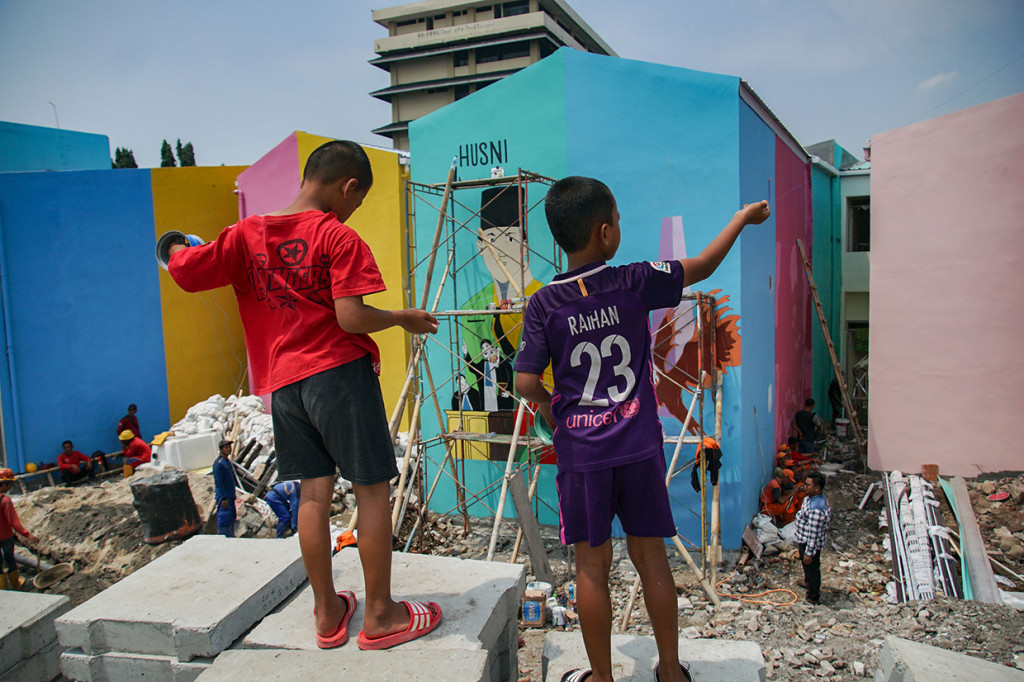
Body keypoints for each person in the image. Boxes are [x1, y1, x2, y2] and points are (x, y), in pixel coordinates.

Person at [166, 140, 441, 651]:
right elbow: (351, 317)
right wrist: (403, 318)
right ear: (349, 185)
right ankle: (381, 615)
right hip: (338, 374)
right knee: (372, 488)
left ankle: (326, 611)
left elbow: (184, 271)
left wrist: (177, 247)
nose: (353, 210)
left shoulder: (242, 236)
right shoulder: (337, 237)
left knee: (313, 495)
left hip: (284, 385)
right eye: (357, 200)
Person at [514, 176, 770, 682]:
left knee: (591, 567)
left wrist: (551, 411)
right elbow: (703, 266)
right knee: (651, 557)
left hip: (582, 453)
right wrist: (741, 219)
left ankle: (602, 677)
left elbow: (525, 381)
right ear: (605, 232)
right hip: (637, 444)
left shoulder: (544, 303)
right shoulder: (633, 280)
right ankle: (671, 671)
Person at [793, 471, 832, 604]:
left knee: (812, 567)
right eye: (805, 484)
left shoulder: (816, 509)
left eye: (808, 485)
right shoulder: (810, 498)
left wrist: (809, 552)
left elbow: (813, 533)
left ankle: (813, 596)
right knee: (807, 566)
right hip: (804, 539)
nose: (805, 487)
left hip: (810, 543)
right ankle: (807, 582)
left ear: (817, 488)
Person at [0, 468, 37, 590]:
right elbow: (13, 523)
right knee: (10, 559)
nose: (10, 487)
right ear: (4, 484)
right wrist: (27, 534)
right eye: (9, 484)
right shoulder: (5, 501)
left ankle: (3, 589)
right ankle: (16, 585)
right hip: (5, 537)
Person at [212, 439, 238, 537]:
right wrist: (224, 497)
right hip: (225, 497)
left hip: (230, 495)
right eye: (226, 447)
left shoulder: (226, 462)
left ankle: (230, 537)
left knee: (231, 518)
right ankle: (223, 537)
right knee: (224, 518)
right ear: (221, 449)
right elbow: (219, 482)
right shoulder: (219, 463)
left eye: (229, 447)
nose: (229, 449)